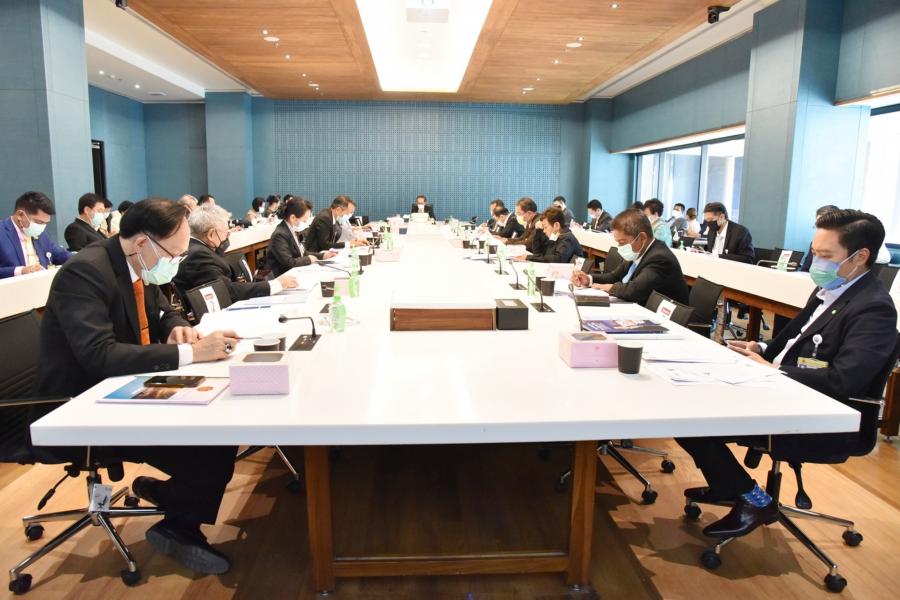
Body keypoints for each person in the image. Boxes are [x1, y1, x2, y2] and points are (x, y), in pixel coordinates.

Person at [34, 198, 242, 574]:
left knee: (219, 425)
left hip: (127, 385)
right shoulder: (85, 273)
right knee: (209, 444)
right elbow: (99, 355)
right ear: (144, 242)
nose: (176, 262)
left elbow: (163, 310)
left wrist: (177, 328)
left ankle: (167, 498)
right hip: (82, 402)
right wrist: (191, 353)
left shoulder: (136, 263)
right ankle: (178, 527)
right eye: (174, 254)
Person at [677, 209, 898, 540]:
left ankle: (751, 498)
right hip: (781, 388)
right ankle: (729, 486)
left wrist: (775, 370)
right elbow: (793, 341)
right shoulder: (830, 289)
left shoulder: (873, 308)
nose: (816, 263)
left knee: (691, 417)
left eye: (826, 256)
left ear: (860, 257)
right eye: (814, 252)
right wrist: (760, 348)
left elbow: (845, 380)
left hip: (823, 413)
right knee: (685, 403)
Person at [174, 204, 298, 303]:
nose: (227, 237)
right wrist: (274, 285)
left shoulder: (197, 248)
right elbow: (227, 291)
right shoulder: (199, 256)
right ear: (211, 234)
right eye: (226, 233)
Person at [571, 208, 689, 305]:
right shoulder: (637, 251)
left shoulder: (660, 258)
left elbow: (634, 290)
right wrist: (589, 279)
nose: (620, 247)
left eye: (622, 242)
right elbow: (613, 276)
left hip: (665, 320)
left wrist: (607, 287)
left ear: (642, 237)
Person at [0, 191, 70, 278]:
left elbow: (62, 255)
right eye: (39, 222)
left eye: (45, 223)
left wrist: (82, 257)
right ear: (20, 215)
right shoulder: (2, 232)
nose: (42, 227)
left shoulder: (41, 234)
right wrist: (21, 271)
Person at [267, 198, 337, 277]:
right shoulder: (280, 235)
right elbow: (289, 263)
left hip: (294, 272)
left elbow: (302, 252)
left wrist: (322, 255)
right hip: (283, 276)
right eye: (304, 220)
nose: (306, 223)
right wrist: (308, 259)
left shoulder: (291, 229)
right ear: (293, 218)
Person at [516, 207, 583, 264]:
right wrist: (538, 231)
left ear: (556, 225)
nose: (544, 231)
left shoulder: (567, 238)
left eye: (545, 227)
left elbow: (557, 260)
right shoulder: (555, 236)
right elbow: (537, 252)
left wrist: (528, 257)